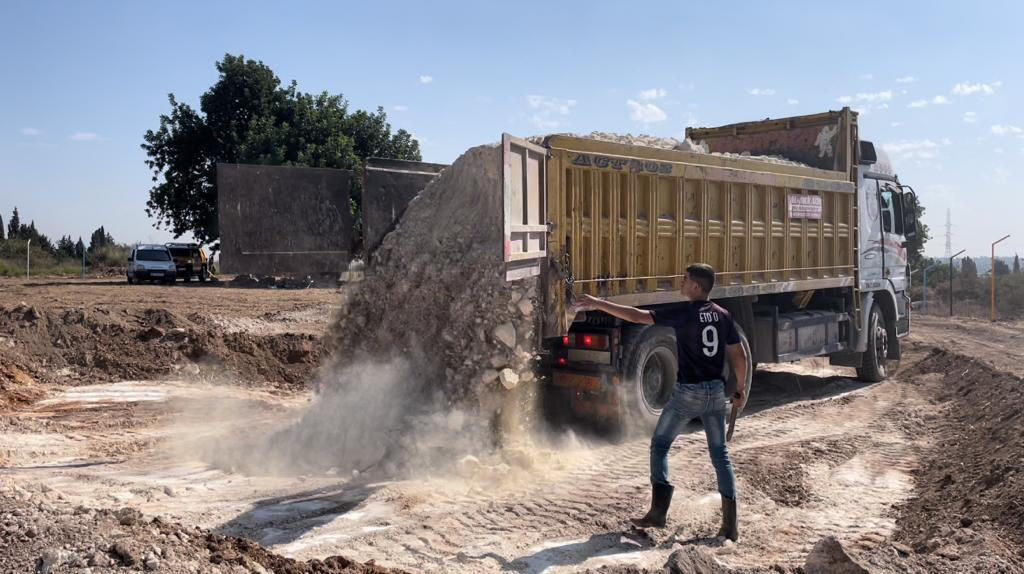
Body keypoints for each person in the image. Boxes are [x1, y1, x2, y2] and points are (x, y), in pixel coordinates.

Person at [573, 263, 747, 541]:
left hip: (687, 393)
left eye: (685, 279)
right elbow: (739, 357)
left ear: (696, 287)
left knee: (660, 445)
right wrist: (740, 389)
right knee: (720, 456)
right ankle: (730, 526)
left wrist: (598, 303)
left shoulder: (684, 312)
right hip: (715, 393)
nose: (681, 282)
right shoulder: (723, 315)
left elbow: (636, 316)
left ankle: (658, 512)